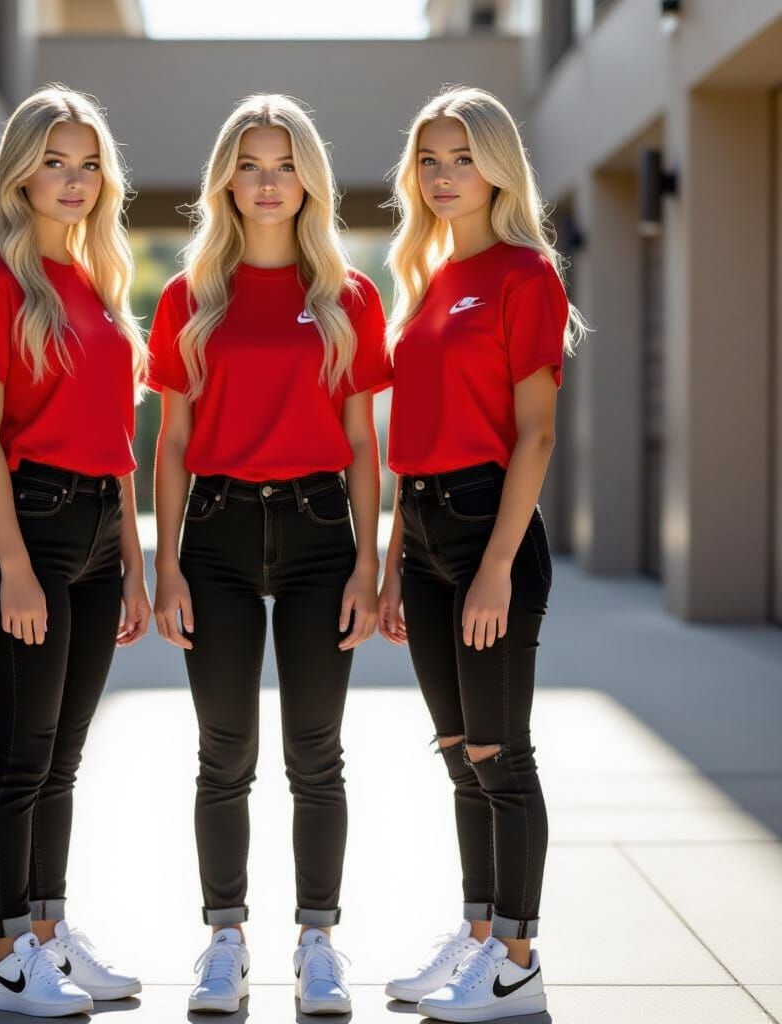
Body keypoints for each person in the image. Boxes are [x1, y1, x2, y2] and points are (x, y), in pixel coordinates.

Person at [148, 94, 390, 1015]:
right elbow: (170, 443)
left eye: (283, 165)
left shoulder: (347, 299)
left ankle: (319, 941)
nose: (267, 182)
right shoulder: (188, 297)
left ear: (308, 182)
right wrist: (164, 562)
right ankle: (223, 938)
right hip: (211, 537)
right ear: (226, 180)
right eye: (249, 165)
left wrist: (369, 563)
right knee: (223, 751)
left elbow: (364, 445)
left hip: (319, 539)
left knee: (316, 751)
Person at [0, 84, 150, 1018]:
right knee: (22, 754)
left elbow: (118, 434)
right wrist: (15, 565)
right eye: (54, 162)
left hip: (101, 529)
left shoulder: (101, 283)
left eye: (88, 163)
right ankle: (5, 953)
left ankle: (51, 938)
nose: (73, 180)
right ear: (19, 172)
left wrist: (135, 562)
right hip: (33, 524)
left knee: (63, 758)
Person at [378, 85, 586, 1022]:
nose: (444, 175)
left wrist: (497, 563)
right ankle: (475, 939)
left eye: (462, 156)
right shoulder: (424, 278)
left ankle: (517, 961)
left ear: (498, 165)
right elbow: (409, 435)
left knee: (503, 756)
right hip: (421, 532)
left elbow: (535, 434)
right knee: (461, 752)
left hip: (486, 527)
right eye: (430, 159)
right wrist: (391, 561)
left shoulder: (526, 274)